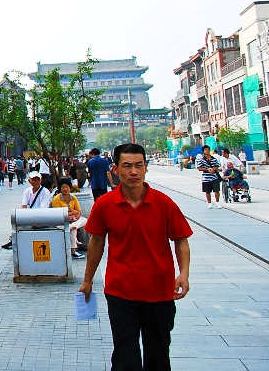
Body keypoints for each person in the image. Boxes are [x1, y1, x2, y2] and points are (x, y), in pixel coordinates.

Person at [79, 143, 192, 371]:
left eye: (139, 165)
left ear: (146, 168)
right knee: (125, 354)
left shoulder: (163, 203)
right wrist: (87, 279)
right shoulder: (104, 204)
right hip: (121, 291)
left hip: (159, 291)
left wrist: (184, 274)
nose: (134, 172)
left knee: (158, 353)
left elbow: (180, 239)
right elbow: (96, 243)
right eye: (127, 166)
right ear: (115, 169)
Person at [50, 177, 87, 260]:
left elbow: (78, 211)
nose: (65, 189)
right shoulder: (57, 199)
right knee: (73, 230)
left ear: (70, 188)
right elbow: (58, 213)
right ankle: (73, 251)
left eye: (67, 187)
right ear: (60, 188)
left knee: (84, 220)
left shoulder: (73, 198)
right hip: (61, 221)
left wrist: (76, 216)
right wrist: (71, 213)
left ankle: (72, 227)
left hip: (73, 221)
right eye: (63, 187)